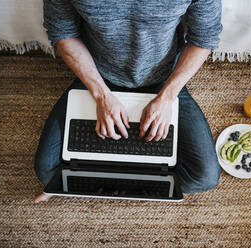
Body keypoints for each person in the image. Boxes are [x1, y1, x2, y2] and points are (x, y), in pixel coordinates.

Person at [34, 0, 223, 203]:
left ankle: (90, 182)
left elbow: (204, 37)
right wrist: (101, 95)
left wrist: (167, 97)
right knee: (46, 171)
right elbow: (63, 33)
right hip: (96, 75)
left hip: (164, 79)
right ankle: (118, 181)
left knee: (205, 177)